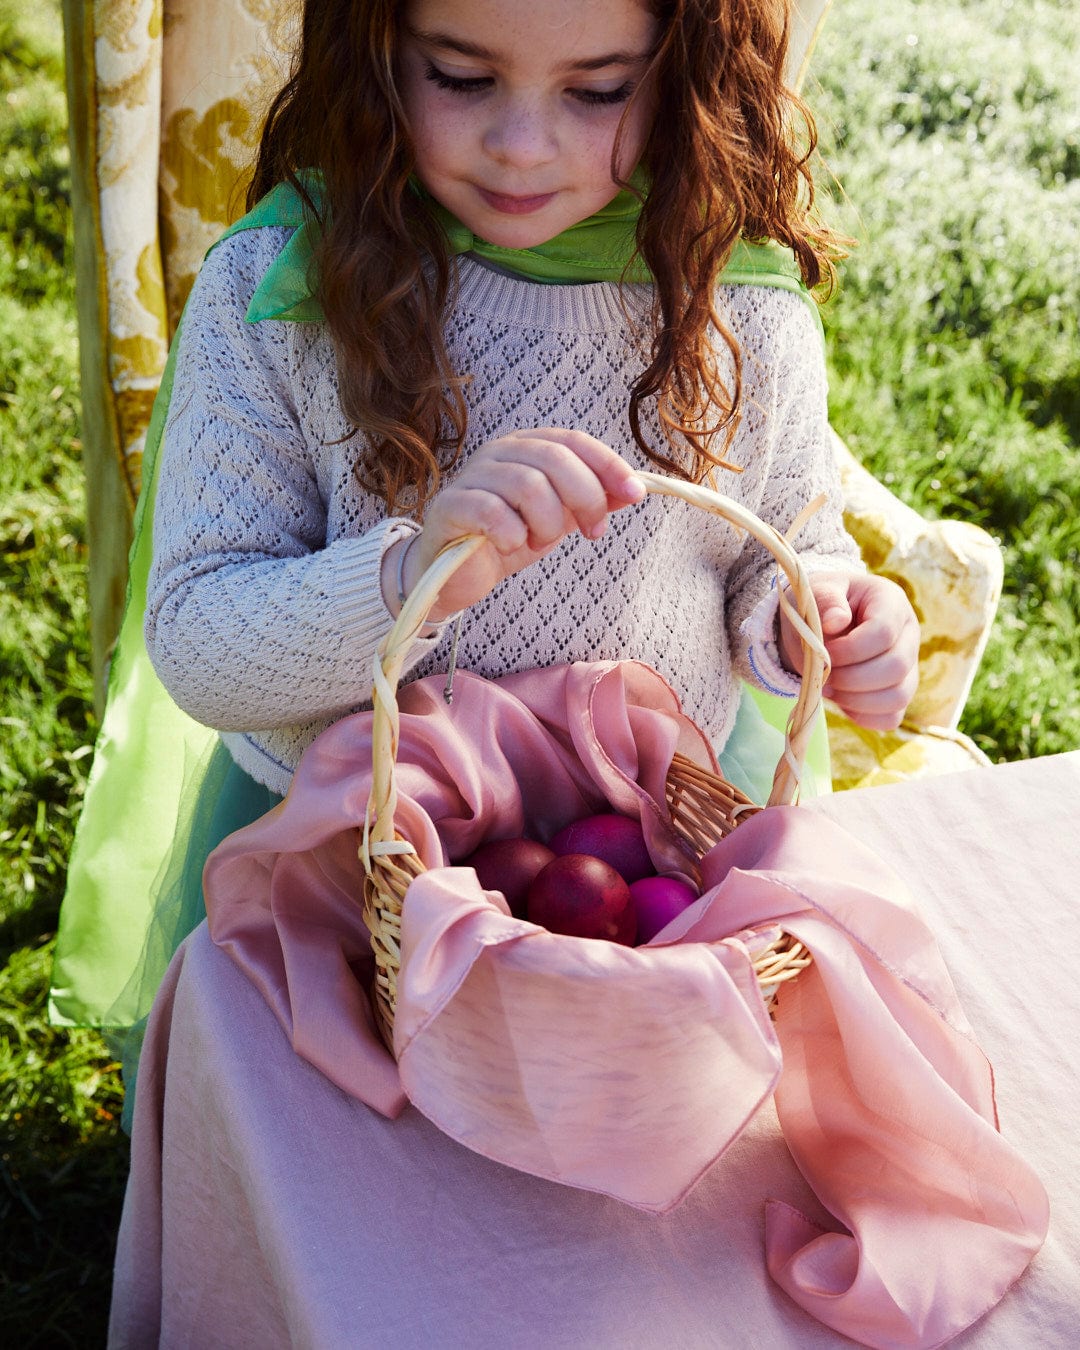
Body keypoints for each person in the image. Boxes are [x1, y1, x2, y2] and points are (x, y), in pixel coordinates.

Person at [63, 0, 921, 1125]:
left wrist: (824, 613)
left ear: (684, 73)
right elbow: (204, 646)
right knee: (352, 1185)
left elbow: (774, 546)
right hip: (340, 872)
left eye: (600, 90)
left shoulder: (738, 300)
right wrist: (409, 574)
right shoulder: (281, 288)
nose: (523, 145)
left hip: (634, 879)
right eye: (460, 79)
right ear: (375, 51)